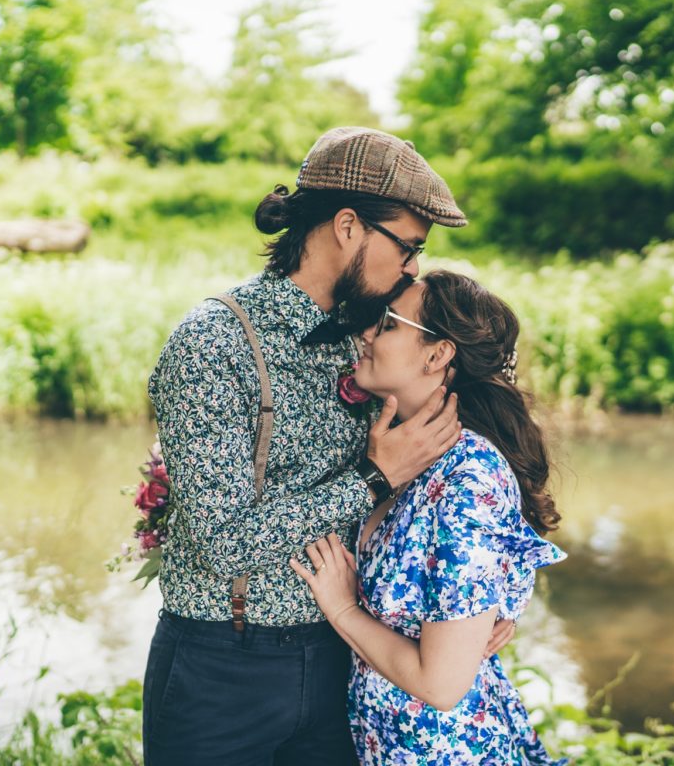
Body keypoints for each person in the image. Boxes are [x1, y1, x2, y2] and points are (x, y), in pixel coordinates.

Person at [143, 128, 515, 765]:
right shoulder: (214, 342)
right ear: (348, 226)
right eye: (408, 246)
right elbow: (221, 539)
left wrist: (475, 611)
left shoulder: (373, 342)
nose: (413, 268)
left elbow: (454, 484)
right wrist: (372, 476)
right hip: (223, 670)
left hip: (350, 667)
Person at [291, 270, 568, 765]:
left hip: (446, 750)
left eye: (387, 324)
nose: (366, 333)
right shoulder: (399, 450)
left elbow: (441, 684)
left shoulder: (470, 479)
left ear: (438, 355)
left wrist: (343, 610)